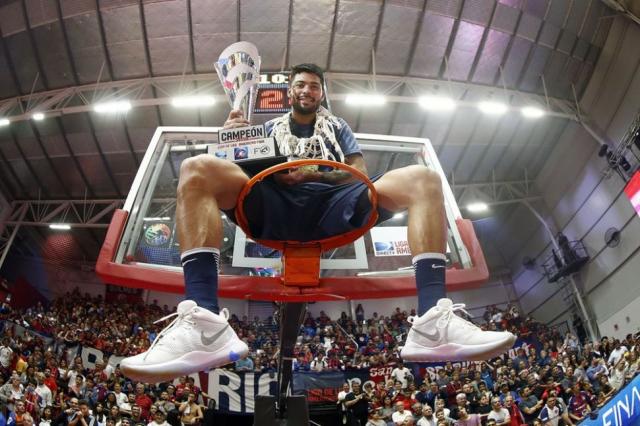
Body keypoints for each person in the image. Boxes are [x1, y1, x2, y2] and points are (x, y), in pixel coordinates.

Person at [119, 63, 515, 381]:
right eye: (300, 85)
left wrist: (315, 174)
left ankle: (432, 322)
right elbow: (242, 168)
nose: (306, 91)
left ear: (322, 93)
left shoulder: (337, 127)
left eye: (313, 86)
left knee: (424, 179)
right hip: (275, 203)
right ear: (289, 92)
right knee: (197, 167)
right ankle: (204, 321)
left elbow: (357, 169)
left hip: (334, 202)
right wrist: (231, 140)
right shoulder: (269, 129)